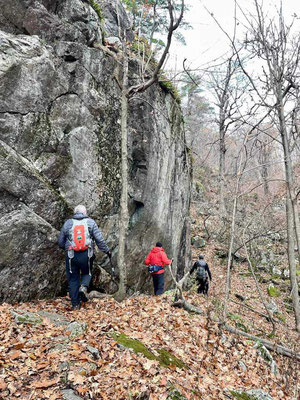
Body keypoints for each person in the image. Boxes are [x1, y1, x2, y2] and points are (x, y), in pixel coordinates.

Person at [58, 204, 111, 310]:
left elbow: (60, 242)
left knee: (73, 279)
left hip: (71, 255)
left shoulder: (68, 223)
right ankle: (83, 287)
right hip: (86, 254)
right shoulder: (90, 222)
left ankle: (75, 305)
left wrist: (67, 248)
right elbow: (99, 239)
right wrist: (107, 251)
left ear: (75, 213)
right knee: (87, 272)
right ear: (85, 213)